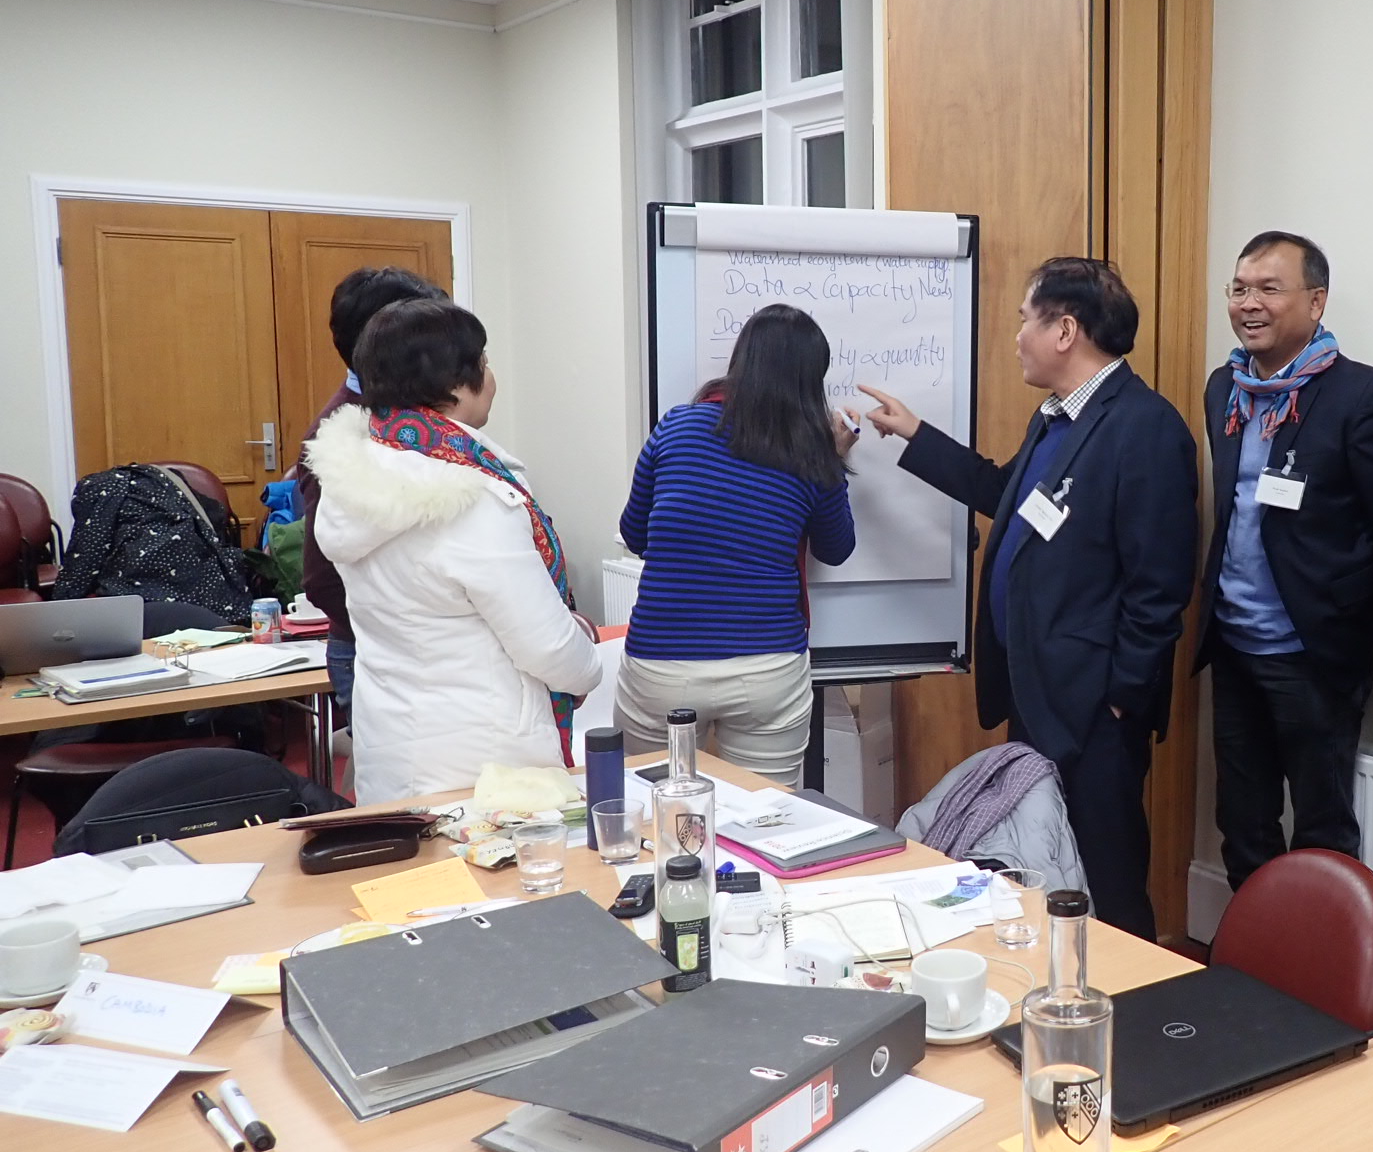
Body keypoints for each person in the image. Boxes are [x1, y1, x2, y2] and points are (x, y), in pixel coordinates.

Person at [862, 258, 1199, 937]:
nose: (1016, 336)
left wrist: (1120, 699)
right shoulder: (1055, 421)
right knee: (1045, 872)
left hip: (1094, 709)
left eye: (1025, 320)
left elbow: (1160, 585)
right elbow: (1004, 494)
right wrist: (916, 435)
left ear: (1065, 330)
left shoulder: (1145, 427)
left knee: (1108, 876)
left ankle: (1136, 995)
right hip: (1038, 693)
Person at [1194, 230, 1373, 891]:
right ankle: (1251, 955)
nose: (1249, 303)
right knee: (1243, 823)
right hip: (1235, 644)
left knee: (1322, 831)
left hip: (1313, 654)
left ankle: (1319, 959)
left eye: (1269, 288)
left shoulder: (1362, 395)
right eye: (1239, 288)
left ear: (1316, 302)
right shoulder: (1224, 387)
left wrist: (1363, 622)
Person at [305, 299, 601, 804]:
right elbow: (547, 646)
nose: (492, 378)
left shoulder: (356, 479)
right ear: (455, 385)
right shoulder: (472, 498)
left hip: (394, 745)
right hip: (483, 763)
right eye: (483, 362)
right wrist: (588, 661)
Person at [614, 304, 856, 786]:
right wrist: (834, 460)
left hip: (663, 661)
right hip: (767, 666)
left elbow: (636, 534)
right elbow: (836, 548)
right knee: (766, 815)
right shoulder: (811, 451)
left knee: (651, 810)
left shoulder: (677, 426)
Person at [295, 266, 448, 716]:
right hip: (379, 653)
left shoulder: (410, 415)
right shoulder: (342, 435)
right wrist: (407, 632)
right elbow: (322, 578)